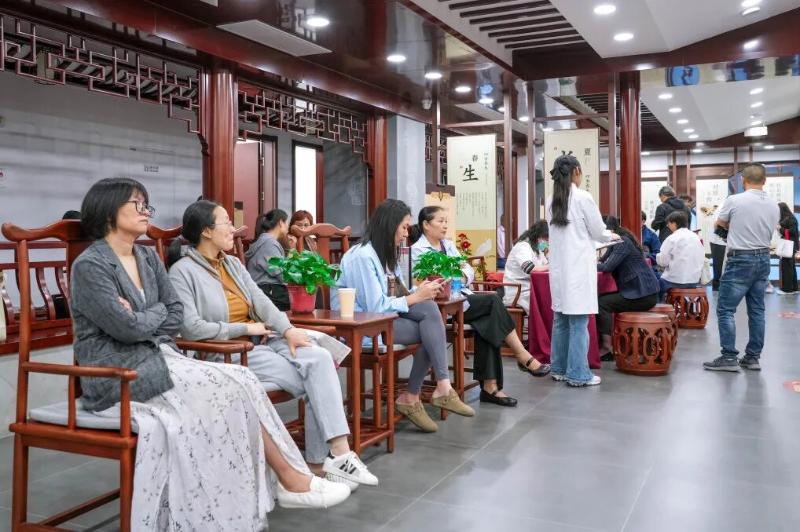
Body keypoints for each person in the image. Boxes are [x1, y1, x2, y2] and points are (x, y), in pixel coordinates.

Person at [71, 179, 349, 530]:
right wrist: (152, 315)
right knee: (232, 384)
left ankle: (281, 481)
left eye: (146, 204)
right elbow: (128, 329)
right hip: (115, 371)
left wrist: (145, 315)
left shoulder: (146, 256)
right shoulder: (91, 265)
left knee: (242, 378)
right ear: (109, 210)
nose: (146, 212)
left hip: (159, 356)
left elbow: (173, 315)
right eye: (137, 205)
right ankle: (291, 479)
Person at [168, 200, 377, 490]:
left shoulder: (231, 263)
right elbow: (191, 328)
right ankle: (322, 463)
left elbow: (262, 302)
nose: (233, 228)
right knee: (317, 377)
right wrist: (245, 328)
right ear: (206, 231)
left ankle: (337, 456)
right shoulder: (182, 272)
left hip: (260, 343)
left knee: (318, 357)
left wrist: (288, 330)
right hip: (226, 353)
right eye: (226, 222)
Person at [332, 199, 474, 432]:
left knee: (430, 313)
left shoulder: (386, 253)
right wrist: (416, 297)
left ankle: (435, 389)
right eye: (404, 227)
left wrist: (420, 292)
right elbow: (375, 306)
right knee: (432, 330)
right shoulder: (362, 256)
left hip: (385, 319)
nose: (407, 233)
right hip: (363, 326)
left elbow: (397, 293)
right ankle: (420, 394)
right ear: (390, 225)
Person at [410, 207, 550, 408]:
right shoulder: (418, 250)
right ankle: (520, 357)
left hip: (462, 300)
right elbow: (437, 279)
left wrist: (459, 276)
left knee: (487, 320)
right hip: (440, 309)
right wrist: (456, 274)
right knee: (492, 302)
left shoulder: (447, 245)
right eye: (440, 221)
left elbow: (468, 270)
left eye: (446, 221)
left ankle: (490, 387)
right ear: (426, 224)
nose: (445, 225)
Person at [547, 155, 618, 387]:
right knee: (578, 322)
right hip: (577, 268)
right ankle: (578, 374)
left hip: (559, 270)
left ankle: (559, 369)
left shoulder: (552, 200)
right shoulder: (582, 197)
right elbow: (598, 231)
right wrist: (610, 235)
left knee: (560, 319)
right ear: (576, 171)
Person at [705, 163, 780, 372]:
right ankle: (752, 358)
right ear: (764, 181)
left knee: (726, 309)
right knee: (757, 310)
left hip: (740, 259)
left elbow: (719, 224)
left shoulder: (734, 200)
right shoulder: (774, 205)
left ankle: (729, 357)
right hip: (763, 258)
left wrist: (733, 227)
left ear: (743, 181)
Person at [596, 216, 659, 359]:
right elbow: (603, 260)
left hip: (642, 294)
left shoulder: (622, 242)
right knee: (603, 300)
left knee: (602, 303)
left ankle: (606, 348)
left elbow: (607, 266)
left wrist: (589, 264)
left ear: (609, 230)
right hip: (642, 292)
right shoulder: (618, 241)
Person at [245, 209, 291, 311]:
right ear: (281, 223)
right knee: (306, 295)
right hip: (269, 291)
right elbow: (280, 274)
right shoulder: (269, 243)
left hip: (265, 291)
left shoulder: (264, 241)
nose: (288, 226)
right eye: (287, 222)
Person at [656, 211, 705, 301]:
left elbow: (663, 262)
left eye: (669, 224)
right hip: (694, 281)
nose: (668, 226)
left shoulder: (672, 238)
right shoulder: (696, 237)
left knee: (655, 286)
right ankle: (686, 307)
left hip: (674, 281)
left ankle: (663, 307)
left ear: (674, 223)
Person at [502, 220, 550, 314]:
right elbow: (529, 268)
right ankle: (543, 323)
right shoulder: (522, 247)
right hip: (519, 291)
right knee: (546, 301)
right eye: (546, 239)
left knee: (550, 297)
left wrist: (548, 255)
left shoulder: (536, 249)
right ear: (538, 236)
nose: (547, 243)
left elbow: (545, 265)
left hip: (529, 288)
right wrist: (551, 266)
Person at [777, 202, 798, 294]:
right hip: (790, 245)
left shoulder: (790, 219)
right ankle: (794, 288)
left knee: (787, 267)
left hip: (789, 246)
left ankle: (787, 289)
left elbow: (793, 232)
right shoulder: (790, 218)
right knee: (790, 266)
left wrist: (780, 229)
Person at [708, 207, 727, 291]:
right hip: (718, 241)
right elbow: (717, 224)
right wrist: (725, 237)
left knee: (722, 265)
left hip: (722, 241)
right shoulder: (724, 207)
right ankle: (717, 286)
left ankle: (721, 285)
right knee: (718, 266)